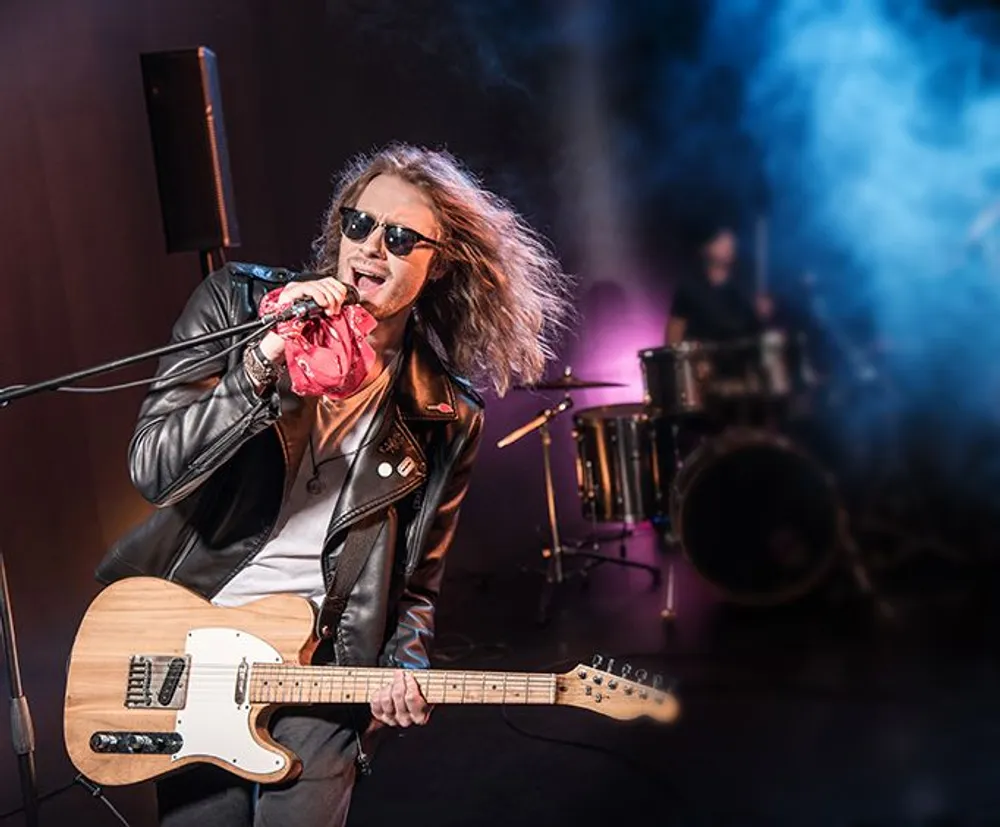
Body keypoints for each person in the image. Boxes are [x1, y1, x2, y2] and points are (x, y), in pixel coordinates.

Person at [95, 142, 574, 826]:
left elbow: (415, 584)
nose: (371, 247)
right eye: (359, 223)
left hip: (323, 660)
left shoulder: (444, 413)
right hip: (194, 646)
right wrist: (262, 360)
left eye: (401, 237)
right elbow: (154, 467)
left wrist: (402, 665)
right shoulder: (238, 306)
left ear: (438, 264)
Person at [666, 224, 773, 345]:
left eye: (731, 241)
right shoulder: (690, 288)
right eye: (721, 240)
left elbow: (753, 330)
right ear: (706, 247)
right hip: (701, 358)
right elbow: (675, 330)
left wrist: (761, 314)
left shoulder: (744, 287)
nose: (728, 245)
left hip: (738, 357)